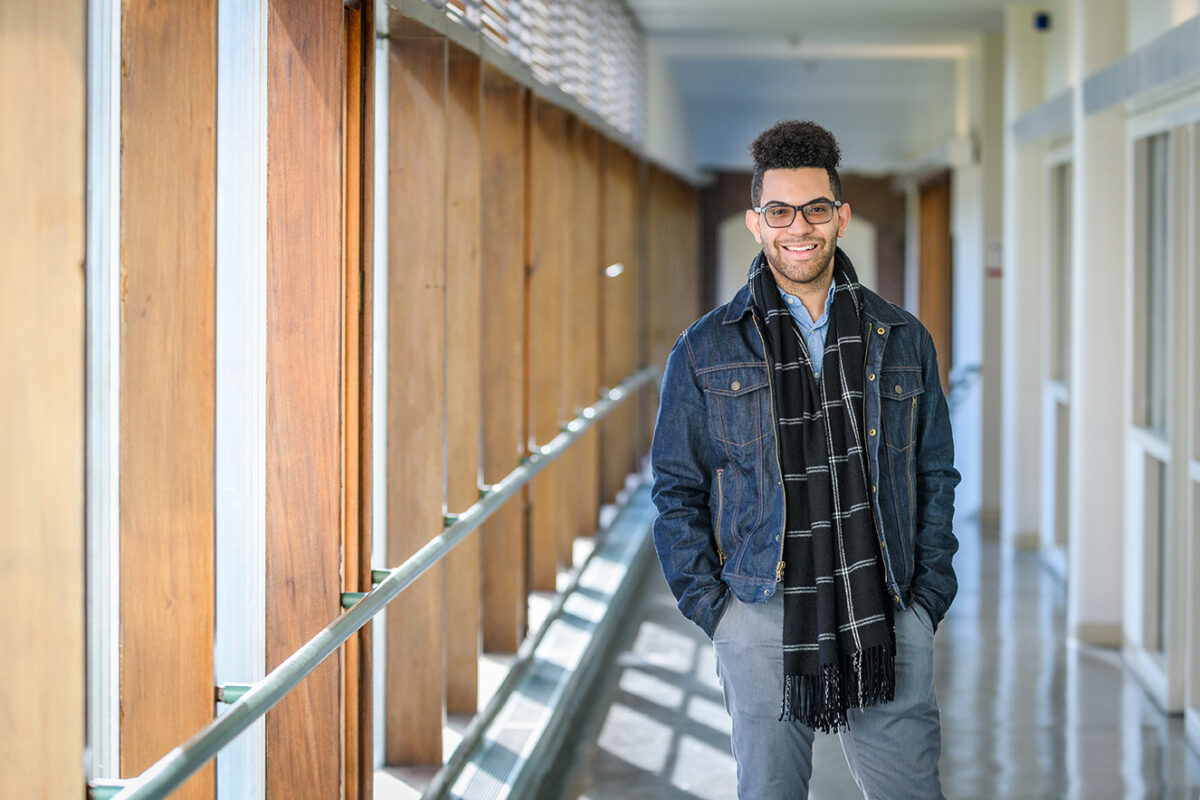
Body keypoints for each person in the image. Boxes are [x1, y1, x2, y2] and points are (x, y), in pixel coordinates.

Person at [649, 119, 959, 800]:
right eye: (780, 211)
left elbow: (935, 474)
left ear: (841, 217)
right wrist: (715, 610)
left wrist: (927, 598)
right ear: (757, 223)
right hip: (759, 607)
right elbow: (676, 490)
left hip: (889, 602)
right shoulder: (705, 350)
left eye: (816, 210)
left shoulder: (903, 339)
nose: (800, 227)